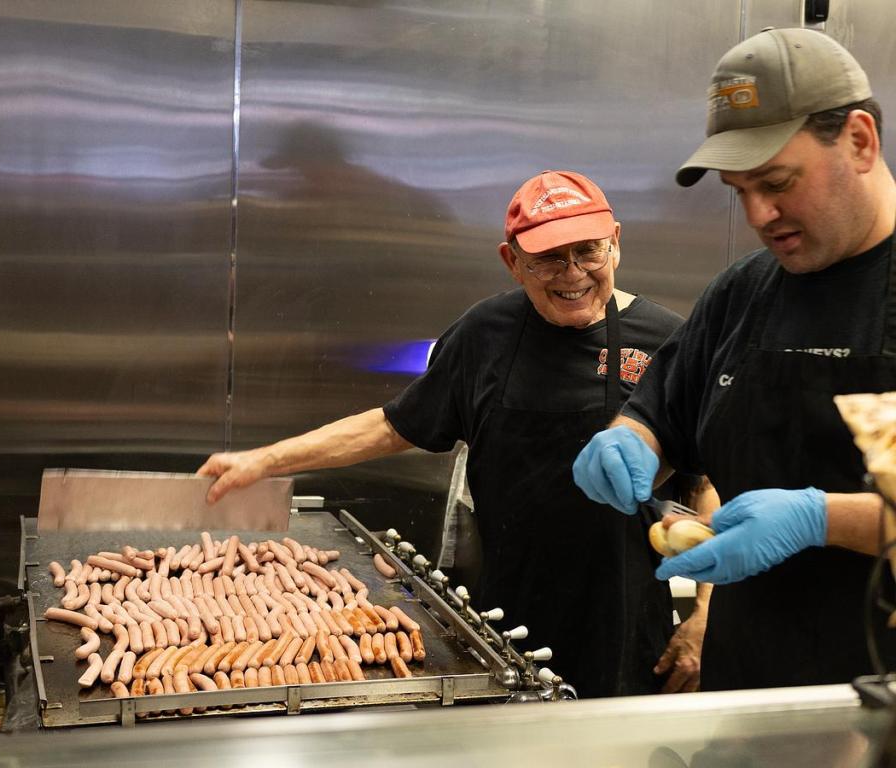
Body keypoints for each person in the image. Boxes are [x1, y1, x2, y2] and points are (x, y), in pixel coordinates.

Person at [198, 170, 711, 698]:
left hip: (626, 625)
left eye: (588, 251)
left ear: (615, 243)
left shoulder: (667, 340)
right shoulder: (485, 334)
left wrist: (704, 615)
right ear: (512, 261)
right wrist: (265, 460)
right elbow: (393, 426)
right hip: (506, 619)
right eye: (549, 259)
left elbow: (710, 481)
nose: (573, 273)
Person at [573, 27, 896, 690]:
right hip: (747, 688)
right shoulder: (744, 291)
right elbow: (660, 418)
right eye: (738, 190)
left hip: (878, 692)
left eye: (777, 182)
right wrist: (629, 443)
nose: (759, 214)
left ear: (860, 141)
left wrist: (821, 519)